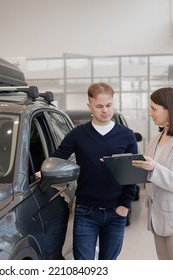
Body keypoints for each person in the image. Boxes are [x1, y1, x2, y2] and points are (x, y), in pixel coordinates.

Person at [52, 82, 138, 260]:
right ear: (89, 106)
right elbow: (58, 157)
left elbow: (132, 172)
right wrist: (43, 170)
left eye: (109, 105)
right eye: (99, 106)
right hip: (86, 211)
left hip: (116, 211)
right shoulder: (78, 134)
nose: (105, 110)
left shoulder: (126, 135)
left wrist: (125, 206)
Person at [132, 87, 173, 260]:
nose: (150, 113)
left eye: (154, 109)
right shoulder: (156, 138)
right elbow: (150, 175)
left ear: (169, 108)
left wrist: (154, 168)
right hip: (158, 219)